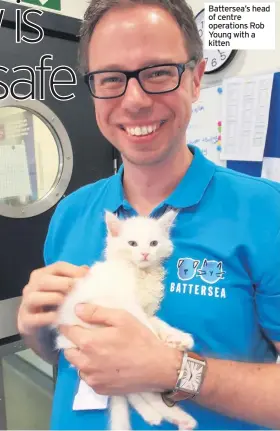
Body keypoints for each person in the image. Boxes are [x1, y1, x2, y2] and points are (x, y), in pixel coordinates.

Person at [17, 0, 280, 429]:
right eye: (111, 78)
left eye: (158, 72)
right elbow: (73, 355)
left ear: (195, 79)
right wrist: (36, 333)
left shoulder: (269, 212)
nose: (134, 100)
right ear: (93, 89)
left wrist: (176, 370)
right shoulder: (71, 212)